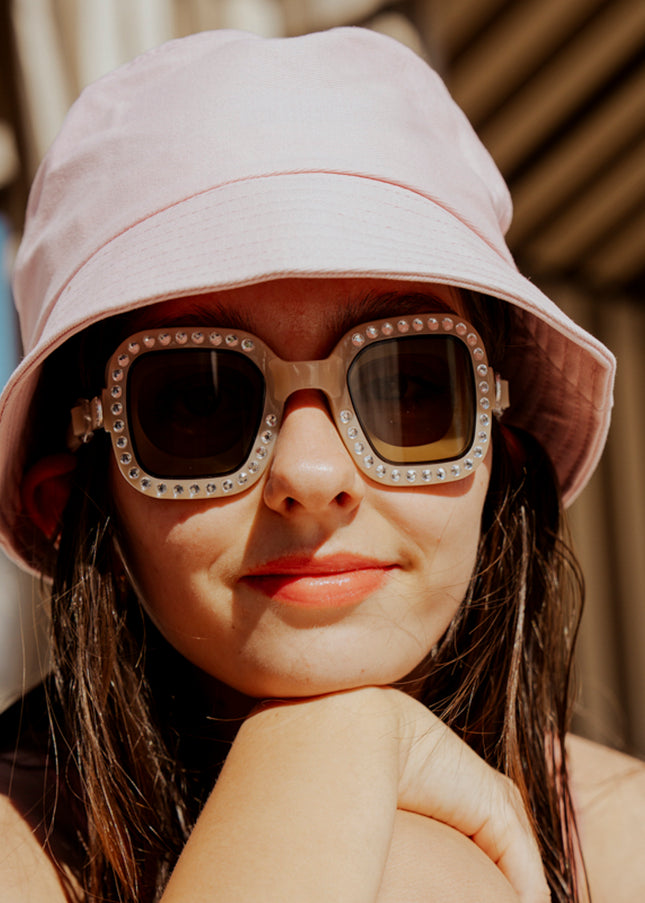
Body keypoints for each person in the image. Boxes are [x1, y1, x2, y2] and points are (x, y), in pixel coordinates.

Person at [0, 26, 642, 903]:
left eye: (408, 383)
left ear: (503, 450)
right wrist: (328, 751)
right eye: (197, 398)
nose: (310, 473)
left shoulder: (626, 835)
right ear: (67, 497)